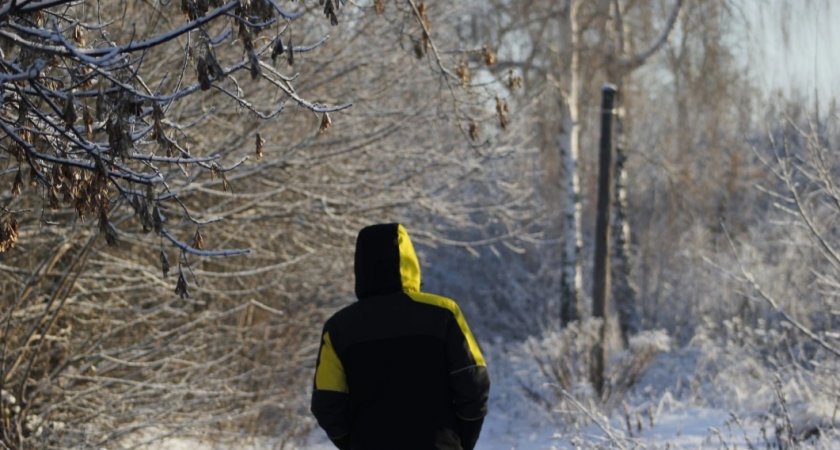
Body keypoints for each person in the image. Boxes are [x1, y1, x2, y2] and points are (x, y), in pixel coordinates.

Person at [311, 223, 490, 450]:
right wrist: (461, 439)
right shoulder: (443, 314)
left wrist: (354, 443)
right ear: (409, 261)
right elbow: (474, 382)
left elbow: (326, 402)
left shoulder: (338, 328)